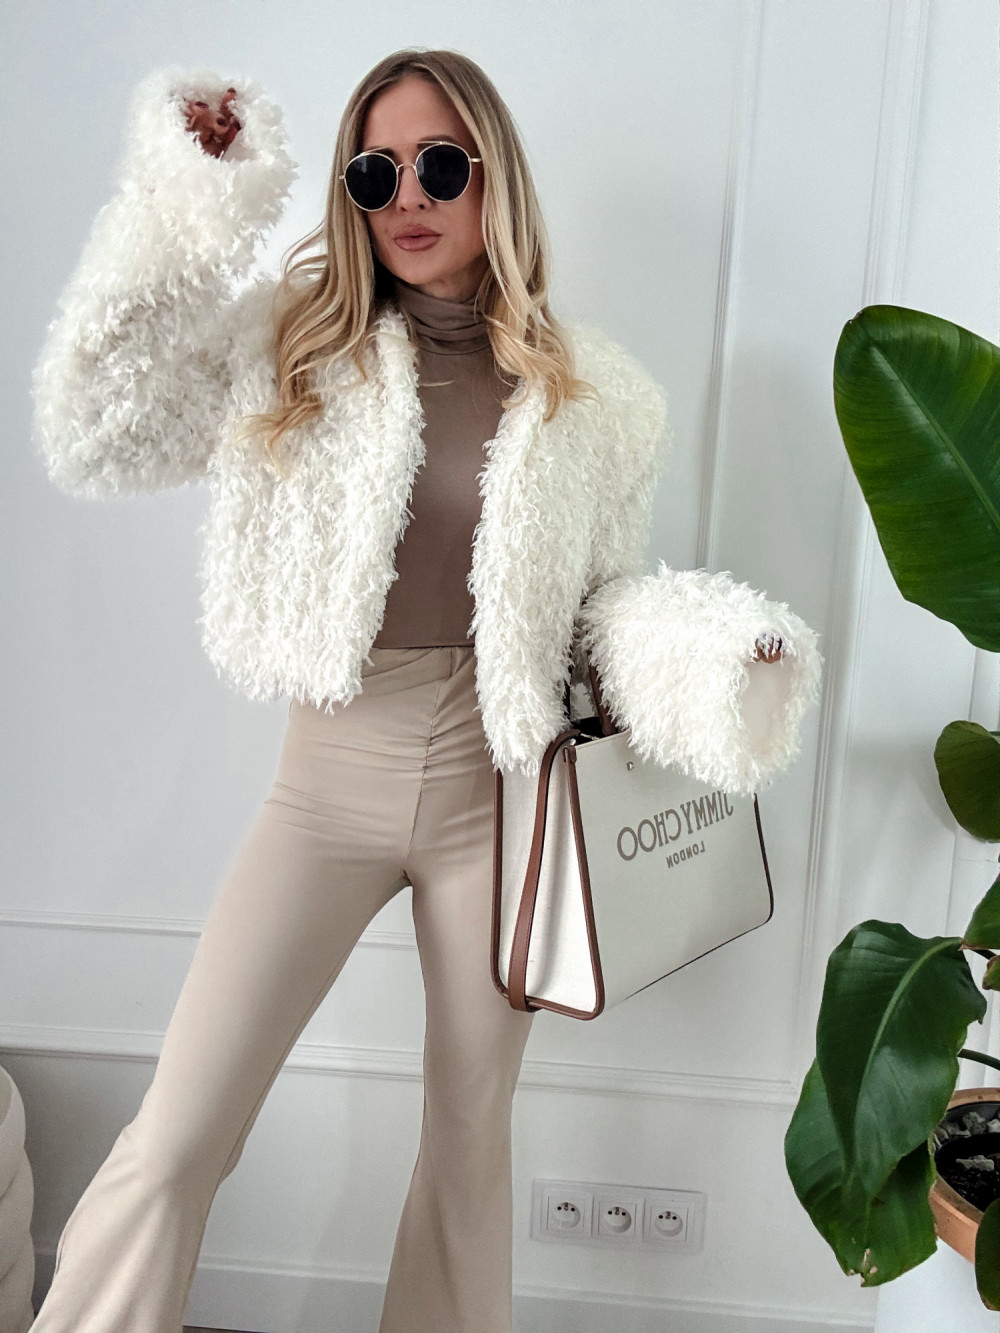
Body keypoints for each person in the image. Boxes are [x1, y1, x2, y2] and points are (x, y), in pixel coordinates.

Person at [28, 48, 821, 1333]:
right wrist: (190, 196)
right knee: (179, 1133)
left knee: (467, 1141)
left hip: (494, 799)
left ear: (493, 179)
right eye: (375, 172)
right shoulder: (294, 346)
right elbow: (96, 429)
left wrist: (722, 649)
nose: (408, 195)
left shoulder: (598, 395)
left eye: (440, 165)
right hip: (322, 789)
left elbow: (601, 612)